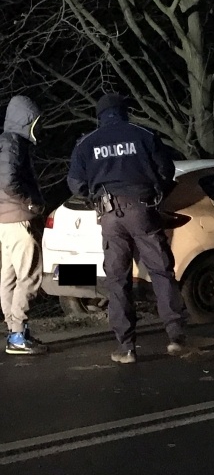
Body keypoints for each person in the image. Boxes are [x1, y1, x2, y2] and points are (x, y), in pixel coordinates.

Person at [67, 94, 188, 364]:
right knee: (160, 270)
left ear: (100, 115)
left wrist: (93, 197)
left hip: (109, 214)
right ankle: (176, 335)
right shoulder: (143, 134)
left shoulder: (87, 143)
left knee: (118, 280)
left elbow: (75, 182)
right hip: (143, 210)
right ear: (124, 112)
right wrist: (156, 191)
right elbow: (166, 171)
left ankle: (126, 347)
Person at [0, 96, 48, 355]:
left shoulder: (3, 143)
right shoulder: (13, 144)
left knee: (8, 277)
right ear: (25, 120)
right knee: (30, 276)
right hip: (18, 220)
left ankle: (14, 332)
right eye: (35, 121)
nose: (38, 127)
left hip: (4, 221)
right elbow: (9, 182)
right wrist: (29, 204)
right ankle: (18, 335)